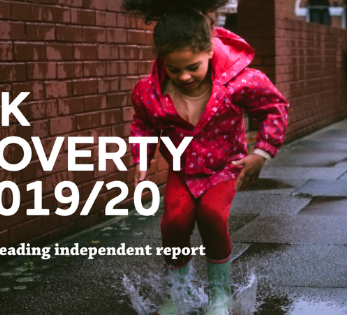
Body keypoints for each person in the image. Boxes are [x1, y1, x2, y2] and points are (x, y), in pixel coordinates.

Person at [123, 0, 289, 314]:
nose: (184, 76)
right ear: (163, 62)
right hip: (182, 171)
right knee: (174, 223)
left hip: (222, 168)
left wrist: (261, 152)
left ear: (210, 52)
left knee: (212, 217)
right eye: (174, 69)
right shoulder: (150, 91)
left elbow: (274, 108)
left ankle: (220, 294)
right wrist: (142, 159)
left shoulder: (238, 82)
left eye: (193, 67)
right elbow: (143, 123)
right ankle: (177, 293)